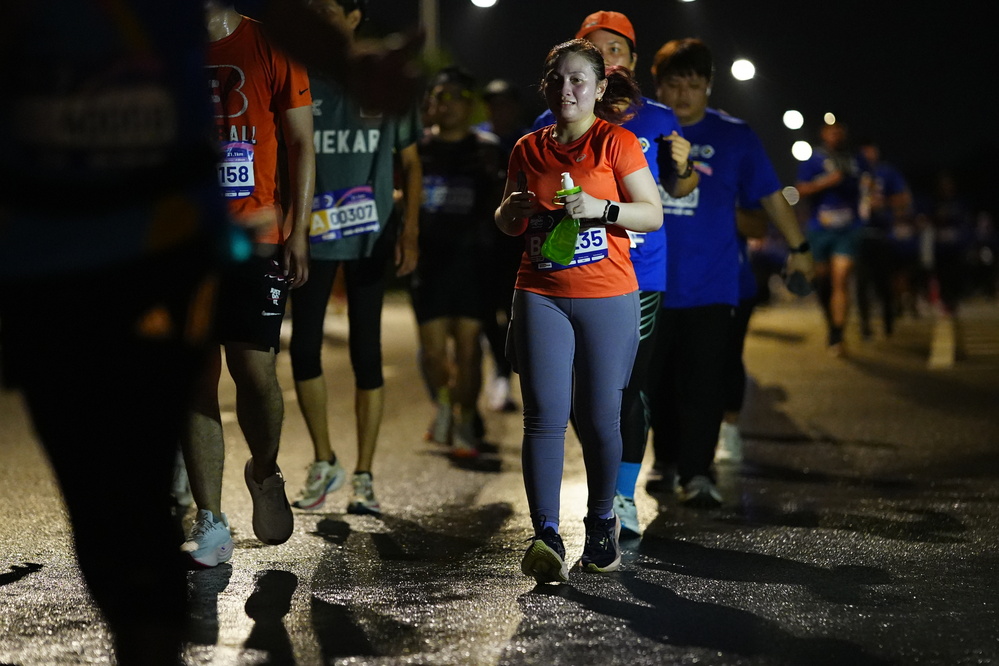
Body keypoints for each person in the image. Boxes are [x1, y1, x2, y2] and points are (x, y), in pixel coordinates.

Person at [0, 0, 423, 662]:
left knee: (145, 485)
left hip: (172, 246)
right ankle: (162, 574)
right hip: (48, 261)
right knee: (94, 492)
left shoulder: (235, 33)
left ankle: (207, 534)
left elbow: (282, 21)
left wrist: (347, 62)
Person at [495, 39, 663, 583]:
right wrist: (510, 211)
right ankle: (545, 534)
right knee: (543, 416)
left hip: (608, 295)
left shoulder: (616, 142)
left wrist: (601, 209)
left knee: (598, 417)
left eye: (578, 80)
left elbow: (652, 214)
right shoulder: (527, 148)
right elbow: (507, 223)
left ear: (598, 88)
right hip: (539, 292)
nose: (566, 90)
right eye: (558, 80)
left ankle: (601, 522)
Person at [532, 10, 698, 538]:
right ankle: (594, 492)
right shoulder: (548, 122)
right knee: (575, 396)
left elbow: (676, 191)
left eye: (614, 50)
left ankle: (620, 497)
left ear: (629, 61)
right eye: (594, 49)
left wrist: (685, 166)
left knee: (625, 390)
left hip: (638, 273)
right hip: (564, 275)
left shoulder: (658, 119)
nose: (605, 58)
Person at [647, 38, 814, 507]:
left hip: (713, 283)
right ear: (657, 86)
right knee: (655, 382)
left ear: (708, 86)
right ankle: (667, 458)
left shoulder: (735, 136)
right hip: (649, 282)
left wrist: (800, 247)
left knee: (705, 381)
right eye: (673, 84)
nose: (682, 95)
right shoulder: (641, 130)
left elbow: (769, 195)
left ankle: (697, 474)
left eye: (693, 84)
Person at [180, 1, 315, 568]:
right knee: (194, 376)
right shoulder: (162, 41)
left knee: (256, 373)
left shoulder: (271, 44)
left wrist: (299, 230)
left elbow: (301, 142)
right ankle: (210, 518)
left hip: (256, 236)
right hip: (184, 239)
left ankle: (263, 469)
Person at [288, 0, 422, 516]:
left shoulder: (379, 77)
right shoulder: (299, 76)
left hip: (370, 234)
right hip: (314, 235)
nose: (320, 19)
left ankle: (364, 476)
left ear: (354, 17)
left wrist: (410, 229)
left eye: (329, 10)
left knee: (367, 353)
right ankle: (325, 460)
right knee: (303, 350)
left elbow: (411, 163)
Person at [411, 66, 507, 457]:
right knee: (433, 352)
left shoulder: (487, 149)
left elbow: (502, 206)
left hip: (473, 262)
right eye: (438, 97)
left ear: (470, 105)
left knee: (469, 349)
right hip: (427, 263)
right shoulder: (416, 148)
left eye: (454, 97)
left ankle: (466, 421)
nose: (445, 105)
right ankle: (446, 405)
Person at [476, 78, 531, 413]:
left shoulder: (526, 141)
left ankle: (507, 374)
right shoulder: (477, 139)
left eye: (505, 104)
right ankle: (498, 370)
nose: (499, 111)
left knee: (515, 313)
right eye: (493, 104)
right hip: (481, 240)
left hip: (517, 241)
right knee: (485, 311)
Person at [795, 120, 869, 357]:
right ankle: (831, 324)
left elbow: (868, 185)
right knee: (823, 281)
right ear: (823, 133)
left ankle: (838, 333)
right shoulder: (813, 159)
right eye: (831, 130)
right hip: (820, 228)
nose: (835, 134)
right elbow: (799, 189)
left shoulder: (856, 158)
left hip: (848, 228)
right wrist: (827, 182)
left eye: (839, 130)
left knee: (842, 277)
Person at [855, 138, 913, 340]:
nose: (868, 156)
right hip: (858, 235)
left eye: (871, 151)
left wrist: (884, 202)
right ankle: (865, 325)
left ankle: (888, 321)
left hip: (882, 235)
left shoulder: (886, 172)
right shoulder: (853, 173)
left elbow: (904, 198)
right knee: (861, 283)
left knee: (883, 282)